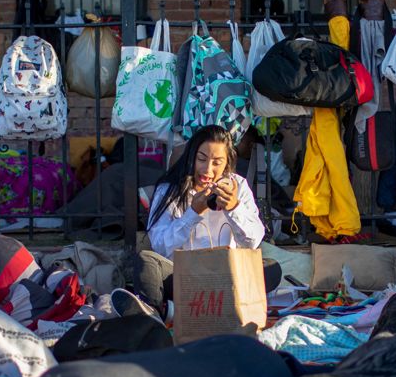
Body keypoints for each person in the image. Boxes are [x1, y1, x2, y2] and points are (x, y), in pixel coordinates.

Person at [112, 125, 278, 320]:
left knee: (271, 268)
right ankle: (154, 316)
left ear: (227, 164)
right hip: (185, 278)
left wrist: (234, 208)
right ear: (191, 157)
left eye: (217, 162)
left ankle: (173, 311)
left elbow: (252, 242)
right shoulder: (169, 189)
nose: (207, 169)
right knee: (146, 261)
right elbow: (160, 246)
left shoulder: (238, 186)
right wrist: (193, 213)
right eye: (202, 159)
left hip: (227, 278)